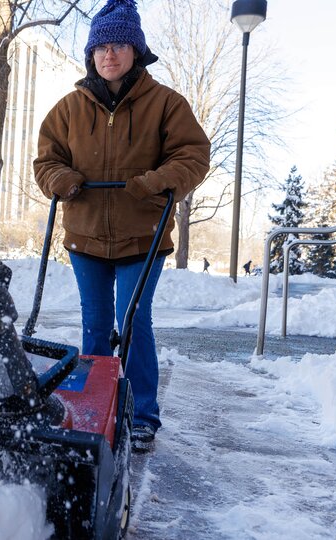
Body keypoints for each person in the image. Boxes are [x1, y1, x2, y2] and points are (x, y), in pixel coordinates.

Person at [33, 0, 210, 451]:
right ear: (91, 55)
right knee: (94, 326)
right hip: (86, 235)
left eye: (118, 45)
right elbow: (46, 160)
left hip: (142, 237)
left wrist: (155, 183)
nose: (108, 55)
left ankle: (143, 413)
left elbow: (192, 155)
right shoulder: (69, 109)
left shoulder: (166, 104)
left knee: (131, 322)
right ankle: (95, 408)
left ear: (136, 51)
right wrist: (61, 180)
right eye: (100, 47)